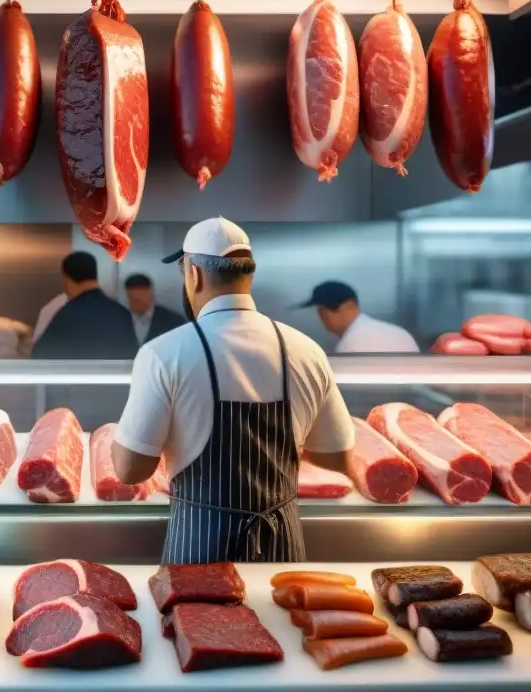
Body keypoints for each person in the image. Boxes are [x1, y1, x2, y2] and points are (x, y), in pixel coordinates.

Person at [110, 217, 355, 564]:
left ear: (193, 273)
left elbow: (130, 470)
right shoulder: (306, 349)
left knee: (196, 622)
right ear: (248, 276)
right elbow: (337, 457)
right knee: (279, 620)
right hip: (280, 549)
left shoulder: (164, 352)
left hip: (199, 551)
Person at [31, 252, 139, 360]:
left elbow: (39, 357)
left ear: (67, 279)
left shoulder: (66, 315)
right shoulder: (122, 314)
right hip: (113, 376)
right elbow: (133, 358)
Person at [298, 281, 420, 354]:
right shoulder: (399, 333)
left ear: (350, 306)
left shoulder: (353, 342)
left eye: (324, 310)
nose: (322, 317)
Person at [124, 273, 185, 345]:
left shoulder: (174, 322)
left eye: (140, 298)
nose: (137, 304)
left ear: (151, 292)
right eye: (133, 300)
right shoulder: (119, 320)